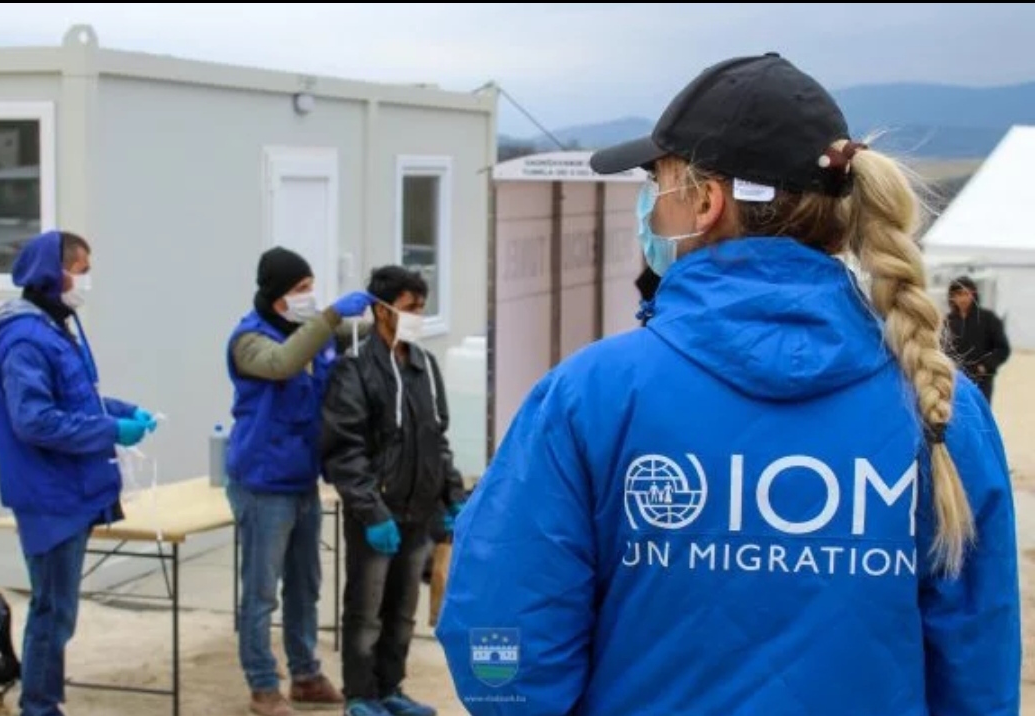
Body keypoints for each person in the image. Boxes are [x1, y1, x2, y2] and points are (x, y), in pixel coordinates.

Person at [435, 53, 1021, 715]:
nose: (649, 207)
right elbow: (979, 667)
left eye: (657, 182)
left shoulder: (591, 395)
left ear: (707, 202)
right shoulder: (939, 406)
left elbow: (503, 641)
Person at [0, 230, 159, 716]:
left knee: (59, 610)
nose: (86, 281)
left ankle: (44, 701)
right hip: (48, 493)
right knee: (53, 611)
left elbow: (77, 399)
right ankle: (39, 706)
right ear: (53, 274)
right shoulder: (25, 338)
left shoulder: (55, 327)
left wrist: (123, 412)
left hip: (69, 488)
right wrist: (110, 430)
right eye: (81, 270)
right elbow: (35, 420)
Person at [225, 246, 376, 716]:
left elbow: (349, 337)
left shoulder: (310, 333)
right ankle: (262, 685)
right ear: (276, 295)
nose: (309, 296)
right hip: (262, 482)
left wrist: (387, 309)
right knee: (261, 592)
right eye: (300, 288)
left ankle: (306, 675)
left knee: (305, 585)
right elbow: (282, 364)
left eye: (311, 287)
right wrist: (331, 315)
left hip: (302, 477)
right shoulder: (250, 340)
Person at [321, 265, 468, 716]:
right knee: (366, 610)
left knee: (403, 611)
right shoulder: (354, 369)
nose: (417, 316)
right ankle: (360, 695)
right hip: (377, 516)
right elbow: (344, 450)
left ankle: (390, 689)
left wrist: (452, 498)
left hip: (418, 513)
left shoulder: (424, 367)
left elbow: (437, 440)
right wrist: (370, 511)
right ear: (382, 311)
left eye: (422, 308)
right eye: (410, 308)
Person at [943, 275, 1010, 405]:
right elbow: (943, 349)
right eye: (959, 294)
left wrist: (985, 366)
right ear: (952, 297)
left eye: (966, 294)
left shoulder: (988, 318)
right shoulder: (948, 321)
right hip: (955, 380)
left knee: (980, 412)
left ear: (973, 295)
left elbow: (1003, 349)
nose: (963, 298)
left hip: (981, 380)